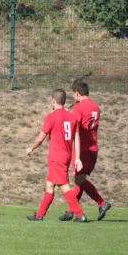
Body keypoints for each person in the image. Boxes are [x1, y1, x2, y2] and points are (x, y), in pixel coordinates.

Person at [26, 89, 87, 223]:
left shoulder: (51, 117)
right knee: (49, 185)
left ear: (53, 101)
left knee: (63, 185)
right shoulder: (72, 117)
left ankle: (80, 214)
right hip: (66, 155)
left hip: (56, 157)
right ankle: (39, 216)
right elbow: (77, 138)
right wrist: (77, 158)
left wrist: (31, 148)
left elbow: (41, 138)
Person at [59, 80, 111, 222]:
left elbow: (74, 126)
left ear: (77, 93)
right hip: (93, 147)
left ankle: (102, 203)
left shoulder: (79, 108)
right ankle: (71, 211)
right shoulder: (95, 107)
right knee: (79, 181)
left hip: (82, 148)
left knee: (79, 179)